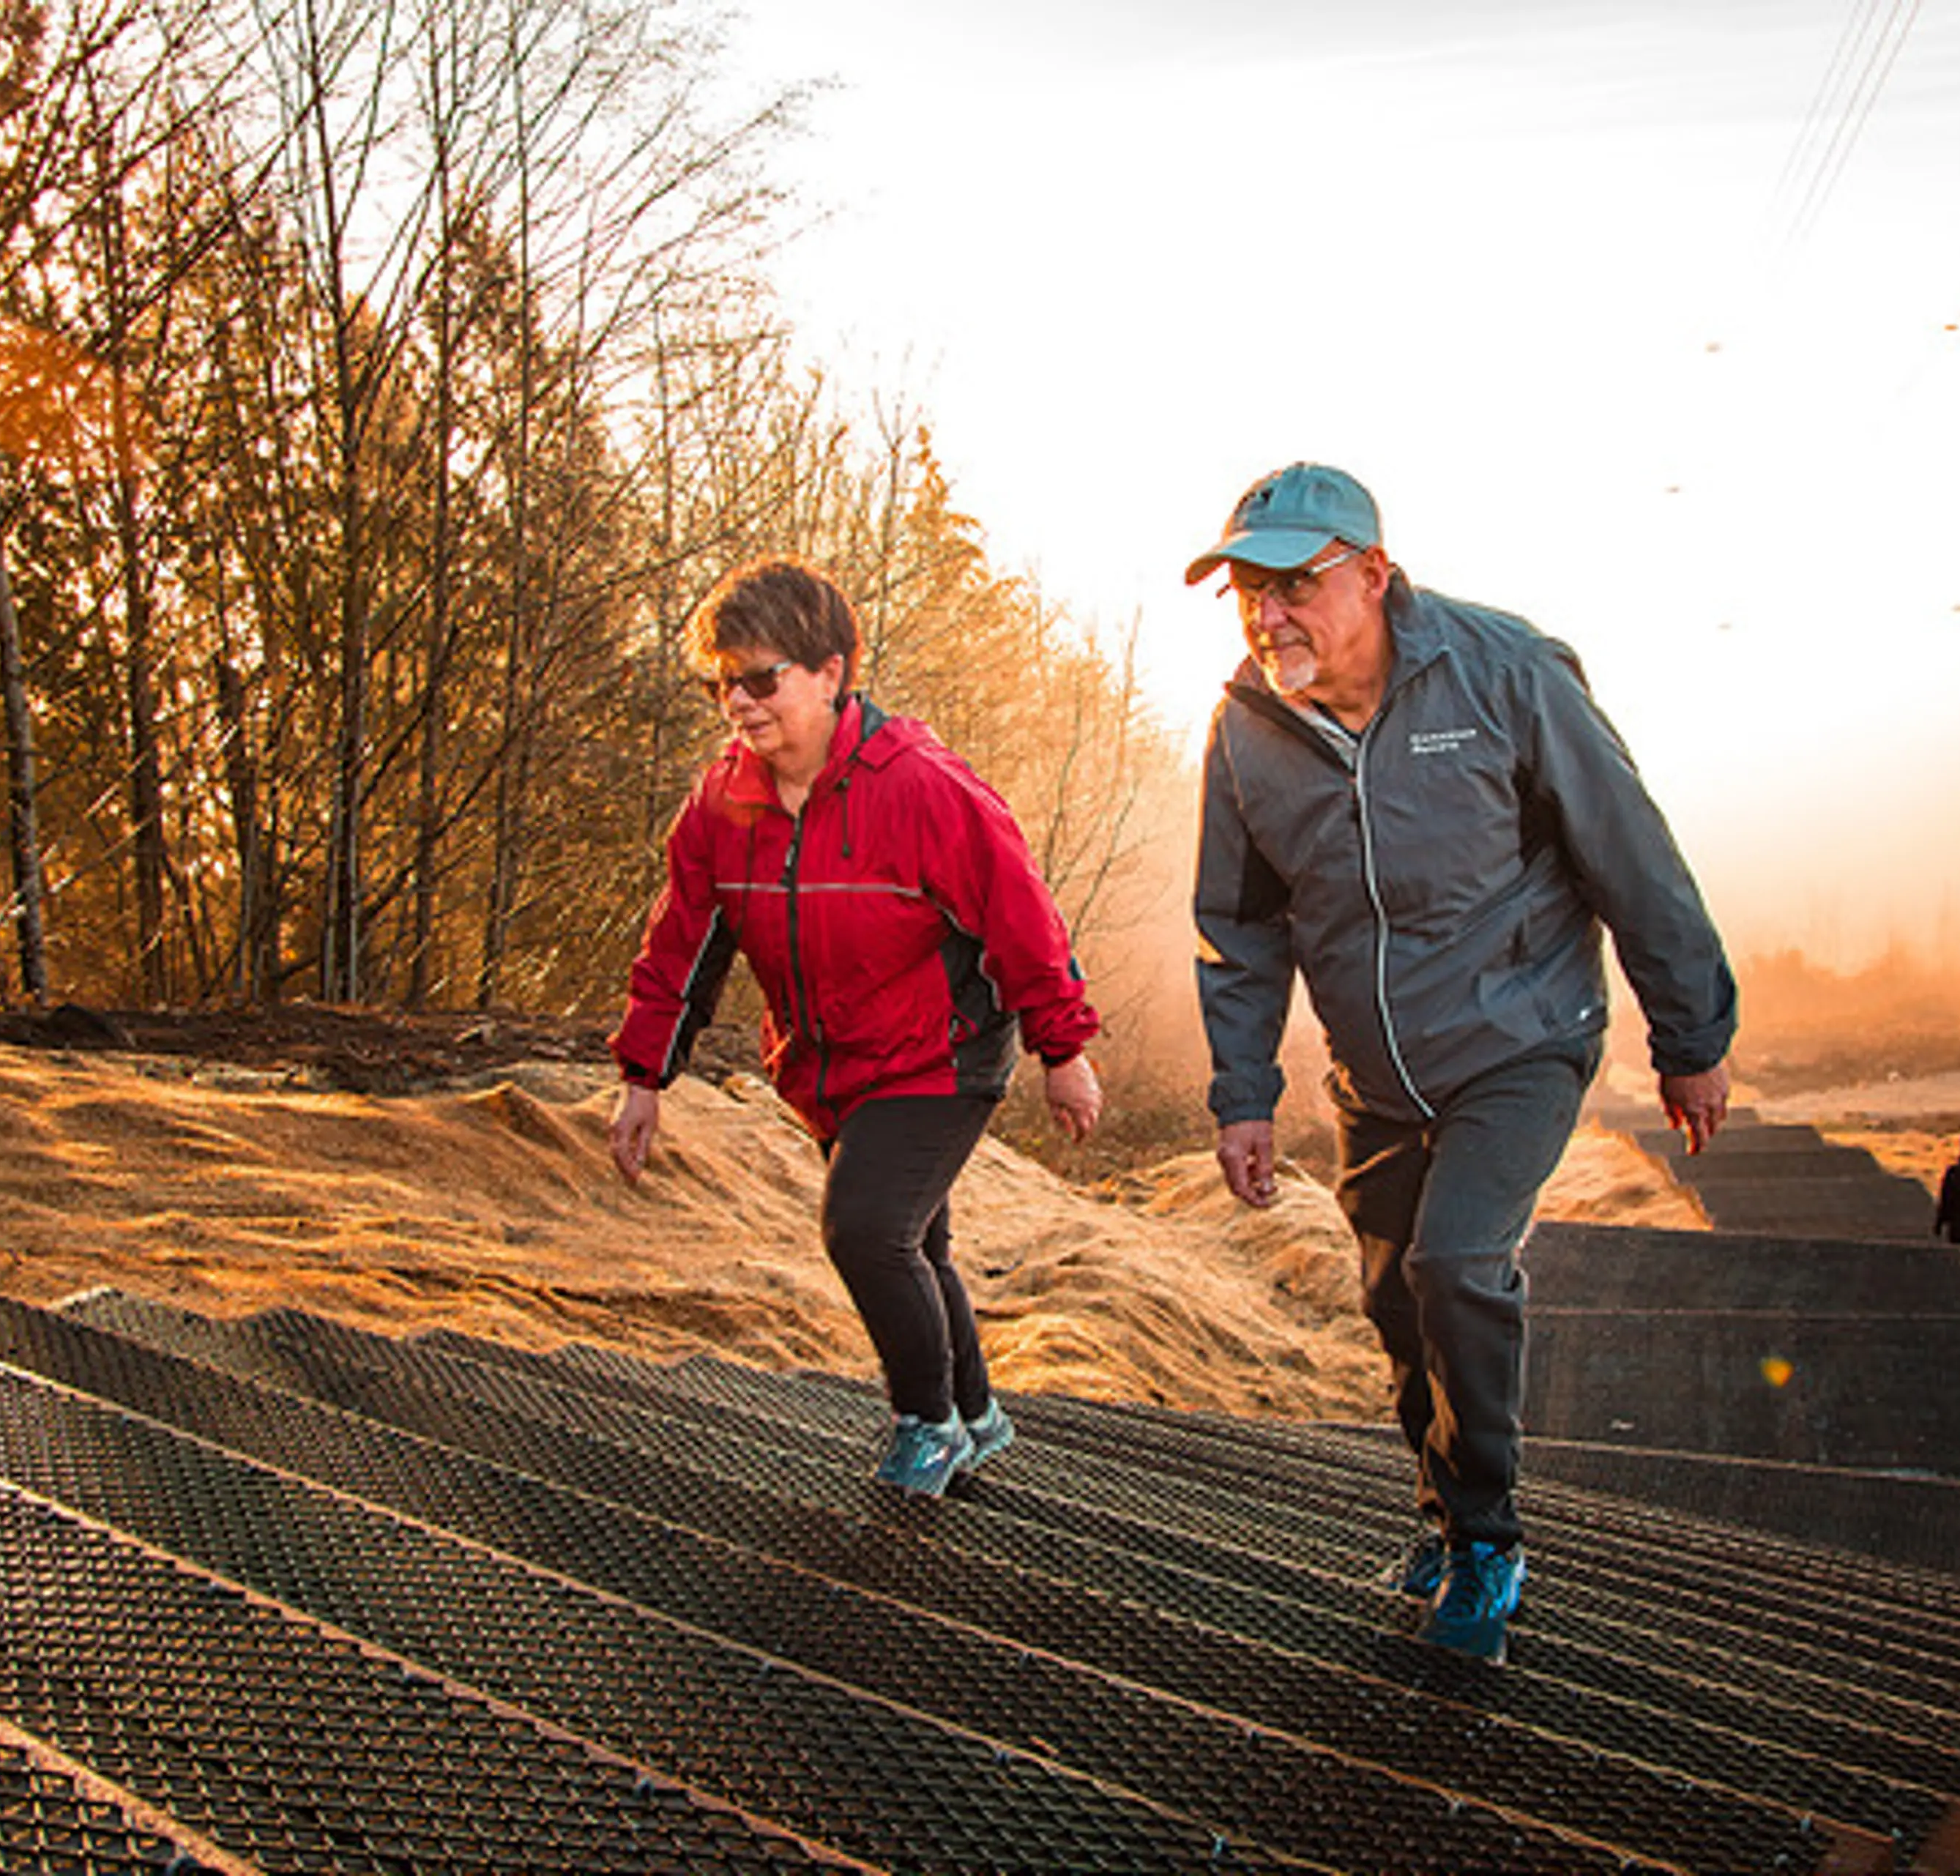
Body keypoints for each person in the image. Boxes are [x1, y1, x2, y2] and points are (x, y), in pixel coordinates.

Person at [1186, 464, 1737, 1661]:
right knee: (1393, 1305)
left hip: (1521, 1038)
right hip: (1374, 1076)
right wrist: (1245, 1095)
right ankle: (1440, 1513)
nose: (1266, 614)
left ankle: (1489, 1536)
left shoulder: (1506, 673)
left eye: (1292, 584)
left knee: (1455, 1265)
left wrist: (1690, 1035)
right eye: (1245, 590)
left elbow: (1630, 852)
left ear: (1375, 575)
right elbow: (1239, 928)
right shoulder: (1246, 731)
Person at [609, 557, 1104, 1496]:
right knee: (920, 1245)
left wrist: (1063, 1051)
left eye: (764, 679)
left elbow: (1021, 918)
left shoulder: (922, 786)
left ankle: (928, 1423)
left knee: (867, 1229)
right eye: (724, 684)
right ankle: (980, 1415)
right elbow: (682, 943)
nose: (741, 705)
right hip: (828, 1064)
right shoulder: (721, 804)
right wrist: (643, 1079)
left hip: (943, 1052)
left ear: (832, 672)